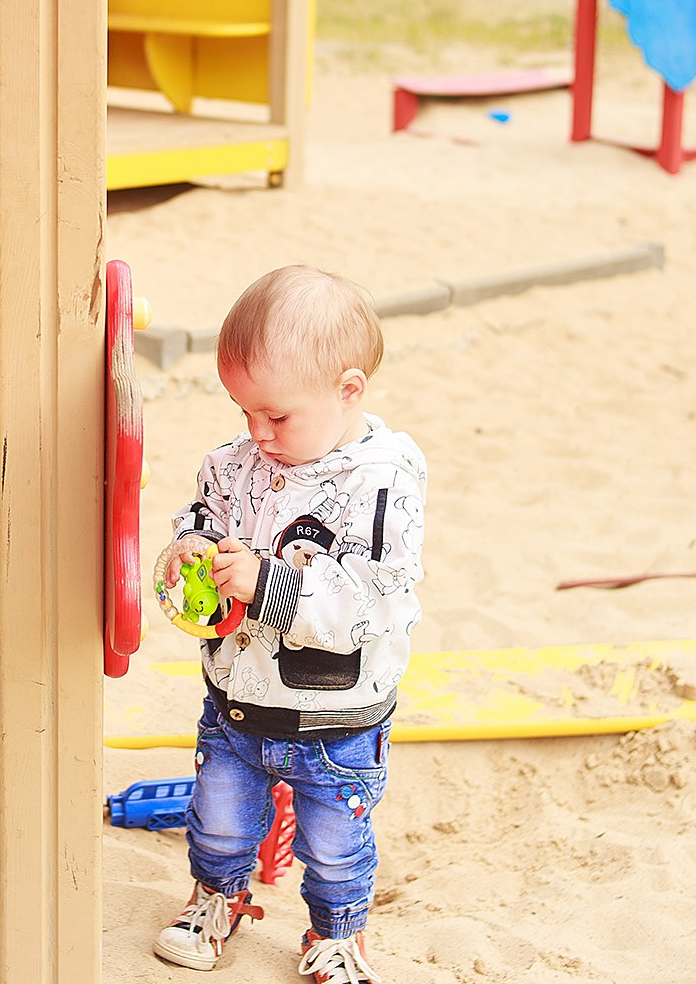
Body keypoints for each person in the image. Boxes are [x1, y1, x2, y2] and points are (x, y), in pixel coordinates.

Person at [154, 266, 426, 984]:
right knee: (218, 818)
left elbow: (374, 600)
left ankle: (337, 935)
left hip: (337, 717)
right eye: (244, 411)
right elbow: (204, 516)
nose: (257, 433)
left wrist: (268, 584)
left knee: (334, 846)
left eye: (276, 416)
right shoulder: (233, 463)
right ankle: (217, 898)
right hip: (238, 701)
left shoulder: (382, 481)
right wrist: (192, 545)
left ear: (348, 390)